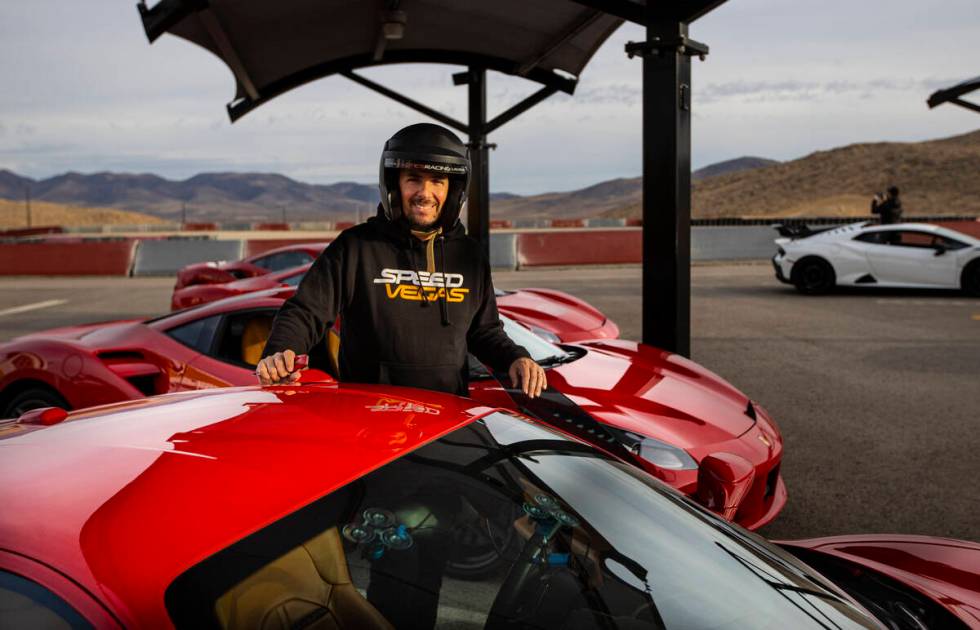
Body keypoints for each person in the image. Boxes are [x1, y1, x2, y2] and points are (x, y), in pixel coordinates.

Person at [255, 122, 546, 398]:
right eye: (414, 180)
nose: (425, 193)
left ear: (453, 191)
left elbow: (484, 332)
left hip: (447, 418)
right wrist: (282, 349)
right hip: (371, 419)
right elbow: (306, 311)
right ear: (395, 185)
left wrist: (515, 357)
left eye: (437, 181)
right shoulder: (356, 246)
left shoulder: (468, 255)